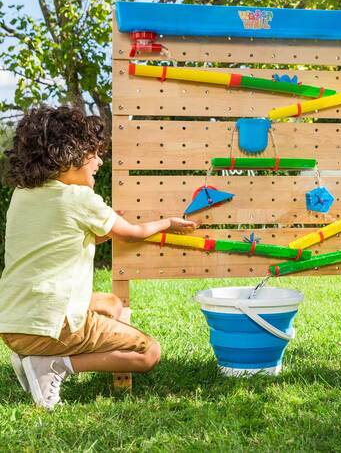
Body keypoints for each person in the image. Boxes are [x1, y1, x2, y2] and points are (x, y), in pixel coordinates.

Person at [0, 105, 198, 410]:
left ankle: (32, 355)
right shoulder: (78, 198)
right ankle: (51, 366)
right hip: (53, 326)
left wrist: (104, 224)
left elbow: (68, 237)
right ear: (69, 155)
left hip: (14, 322)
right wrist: (168, 223)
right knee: (148, 353)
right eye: (93, 153)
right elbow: (132, 232)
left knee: (112, 305)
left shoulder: (23, 195)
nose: (100, 161)